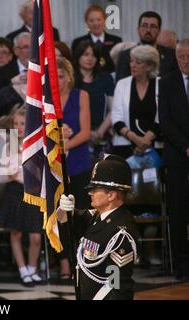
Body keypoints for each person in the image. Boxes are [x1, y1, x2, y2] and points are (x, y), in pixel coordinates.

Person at [58, 155, 139, 300]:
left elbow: (116, 286)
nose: (90, 193)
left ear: (111, 195)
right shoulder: (97, 216)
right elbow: (67, 221)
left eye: (95, 189)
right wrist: (64, 209)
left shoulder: (120, 233)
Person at [0, 106, 43, 287]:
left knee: (35, 237)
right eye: (15, 123)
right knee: (16, 233)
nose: (18, 127)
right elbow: (1, 177)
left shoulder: (37, 146)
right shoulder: (8, 147)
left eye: (22, 123)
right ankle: (23, 270)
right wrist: (11, 173)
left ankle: (32, 269)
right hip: (15, 192)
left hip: (33, 193)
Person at [57, 57, 92, 279]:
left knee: (80, 214)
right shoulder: (46, 100)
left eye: (61, 76)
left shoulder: (81, 95)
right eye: (54, 77)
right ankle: (63, 264)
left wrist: (64, 146)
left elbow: (86, 132)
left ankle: (84, 261)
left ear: (69, 76)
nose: (58, 81)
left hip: (78, 162)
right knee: (60, 216)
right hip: (55, 166)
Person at [158, 38, 189, 280]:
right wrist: (186, 147)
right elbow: (165, 122)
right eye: (181, 57)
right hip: (177, 156)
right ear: (176, 57)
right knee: (178, 210)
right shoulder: (167, 83)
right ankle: (181, 264)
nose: (185, 61)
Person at [111, 45, 161, 159]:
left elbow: (164, 116)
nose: (132, 65)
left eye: (138, 62)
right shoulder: (122, 84)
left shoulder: (161, 84)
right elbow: (116, 118)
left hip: (155, 147)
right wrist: (136, 139)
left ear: (149, 66)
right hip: (126, 147)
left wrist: (146, 140)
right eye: (131, 61)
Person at [73, 40, 115, 161]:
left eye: (93, 55)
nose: (90, 58)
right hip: (76, 133)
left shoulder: (106, 78)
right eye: (86, 54)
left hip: (101, 134)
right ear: (78, 56)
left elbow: (113, 109)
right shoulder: (70, 80)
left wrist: (100, 131)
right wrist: (86, 132)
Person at [115, 11, 178, 82]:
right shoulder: (125, 56)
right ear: (138, 29)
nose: (148, 30)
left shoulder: (171, 55)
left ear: (159, 31)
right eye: (144, 25)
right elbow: (120, 85)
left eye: (153, 26)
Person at [71, 5, 122, 74]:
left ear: (105, 20)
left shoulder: (116, 41)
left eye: (99, 19)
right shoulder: (78, 42)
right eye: (91, 20)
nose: (96, 23)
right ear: (86, 22)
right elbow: (75, 67)